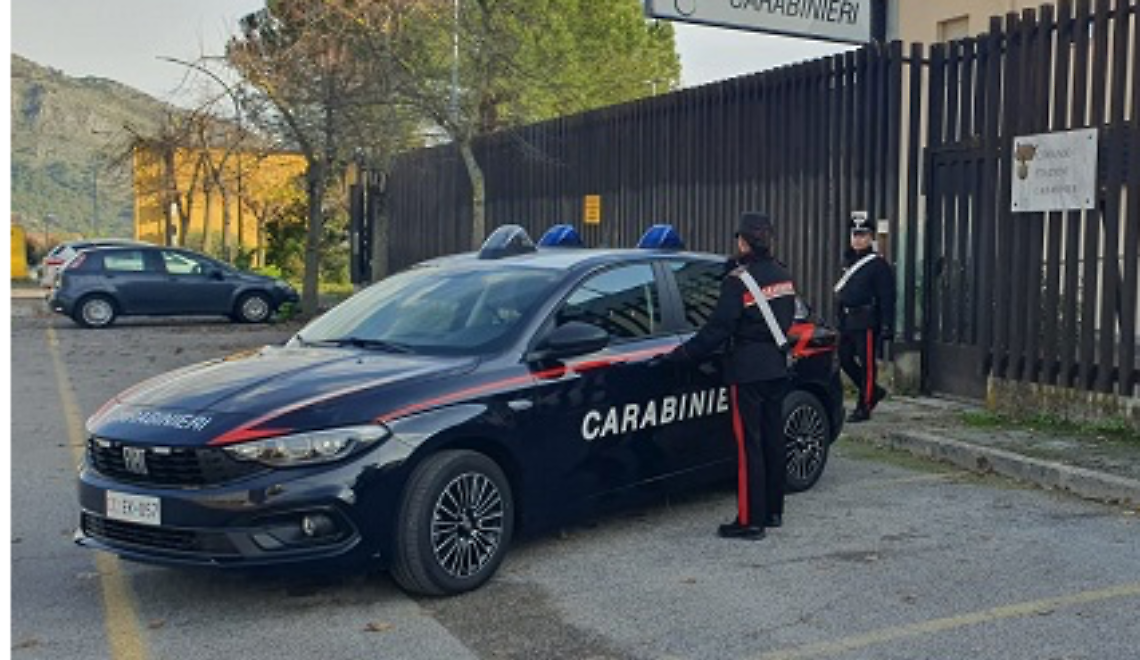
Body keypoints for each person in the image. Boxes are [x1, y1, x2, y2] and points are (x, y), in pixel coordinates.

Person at [664, 212, 795, 541]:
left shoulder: (738, 281)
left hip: (747, 370)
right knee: (772, 438)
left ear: (744, 242)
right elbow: (786, 318)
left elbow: (718, 329)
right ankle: (774, 510)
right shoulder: (783, 274)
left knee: (749, 445)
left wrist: (684, 355)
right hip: (776, 366)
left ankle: (750, 521)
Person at [834, 213, 896, 423]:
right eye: (855, 235)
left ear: (871, 238)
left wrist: (887, 324)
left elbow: (887, 295)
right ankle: (872, 391)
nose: (858, 239)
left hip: (867, 320)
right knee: (844, 358)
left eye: (863, 235)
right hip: (849, 320)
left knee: (868, 364)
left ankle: (865, 405)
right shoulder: (849, 261)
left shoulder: (878, 264)